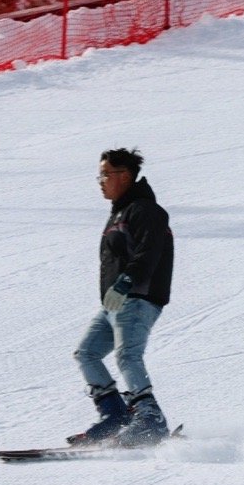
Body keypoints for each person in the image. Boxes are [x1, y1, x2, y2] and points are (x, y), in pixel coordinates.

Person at [69, 147, 174, 447]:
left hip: (137, 297)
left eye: (105, 175)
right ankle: (116, 414)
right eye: (99, 175)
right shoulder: (120, 212)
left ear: (125, 176)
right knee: (86, 353)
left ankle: (151, 419)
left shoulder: (145, 210)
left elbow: (149, 252)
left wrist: (126, 282)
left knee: (127, 355)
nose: (101, 181)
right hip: (115, 302)